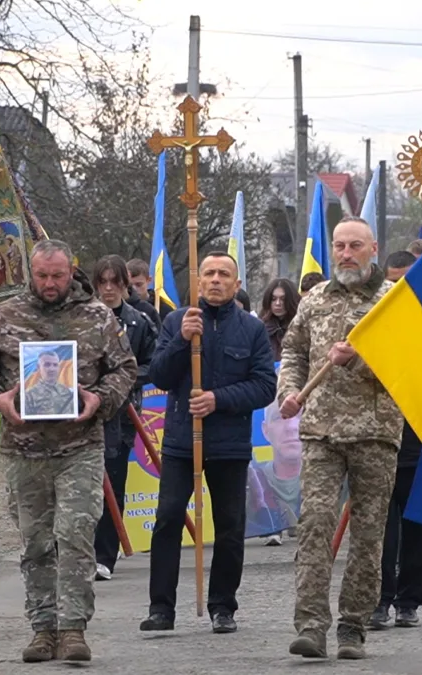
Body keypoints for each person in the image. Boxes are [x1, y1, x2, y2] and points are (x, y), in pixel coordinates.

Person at [0, 239, 137, 663]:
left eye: (57, 275)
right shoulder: (5, 316)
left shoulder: (97, 316)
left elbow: (126, 369)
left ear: (70, 271)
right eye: (42, 275)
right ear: (31, 273)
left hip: (80, 447)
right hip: (25, 450)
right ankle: (43, 629)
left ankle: (73, 628)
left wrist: (100, 399)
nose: (50, 283)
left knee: (75, 537)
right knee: (37, 544)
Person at [278, 218, 403, 661]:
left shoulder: (393, 304)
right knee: (314, 524)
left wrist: (357, 363)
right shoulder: (314, 299)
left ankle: (354, 626)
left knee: (369, 535)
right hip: (321, 433)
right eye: (339, 246)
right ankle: (311, 625)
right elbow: (292, 350)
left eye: (355, 246)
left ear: (373, 249)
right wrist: (289, 390)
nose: (346, 253)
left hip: (375, 433)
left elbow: (407, 371)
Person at [139, 251, 277, 635]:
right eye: (209, 273)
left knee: (230, 526)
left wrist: (219, 399)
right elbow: (160, 376)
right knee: (167, 519)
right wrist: (183, 341)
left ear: (236, 284)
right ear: (199, 281)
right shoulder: (175, 321)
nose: (216, 280)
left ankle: (222, 606)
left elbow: (265, 385)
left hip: (229, 444)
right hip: (182, 441)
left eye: (224, 274)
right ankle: (161, 608)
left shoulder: (251, 329)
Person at [370, 255, 422, 630]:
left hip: (418, 445)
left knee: (417, 530)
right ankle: (379, 598)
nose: (396, 291)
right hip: (376, 443)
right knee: (379, 530)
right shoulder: (370, 328)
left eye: (404, 284)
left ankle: (409, 600)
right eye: (390, 283)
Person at [90, 255, 157, 581]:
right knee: (83, 483)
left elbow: (152, 364)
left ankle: (105, 555)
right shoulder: (82, 319)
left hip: (123, 412)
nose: (108, 289)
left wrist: (123, 378)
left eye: (114, 282)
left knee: (114, 484)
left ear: (124, 285)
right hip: (85, 412)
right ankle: (81, 553)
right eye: (102, 282)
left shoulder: (139, 322)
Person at [257, 277, 302, 546]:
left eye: (282, 299)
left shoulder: (300, 326)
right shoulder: (260, 329)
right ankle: (272, 524)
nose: (277, 304)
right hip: (268, 398)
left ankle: (297, 518)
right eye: (273, 299)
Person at [24, 350, 75, 416]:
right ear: (38, 367)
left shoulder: (66, 391)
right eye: (47, 365)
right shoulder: (29, 396)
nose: (52, 369)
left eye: (55, 365)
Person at [128, 257, 175, 324]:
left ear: (149, 280)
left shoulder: (164, 310)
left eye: (139, 284)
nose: (134, 289)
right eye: (129, 286)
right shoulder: (120, 307)